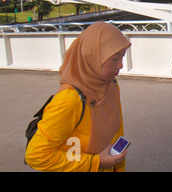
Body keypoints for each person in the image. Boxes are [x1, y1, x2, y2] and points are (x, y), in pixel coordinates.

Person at [25, 22, 131, 172]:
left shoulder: (111, 85)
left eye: (122, 57)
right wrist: (96, 162)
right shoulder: (68, 100)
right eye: (114, 59)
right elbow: (36, 155)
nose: (120, 65)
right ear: (92, 56)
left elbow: (116, 133)